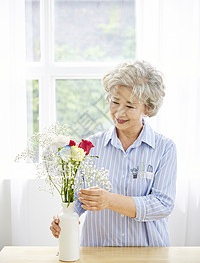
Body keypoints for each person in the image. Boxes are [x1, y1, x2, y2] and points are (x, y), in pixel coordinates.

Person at [50, 60, 177, 247]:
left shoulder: (164, 148)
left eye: (130, 106)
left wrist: (110, 200)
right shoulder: (90, 146)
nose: (119, 112)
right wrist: (65, 217)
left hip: (149, 253)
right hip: (97, 251)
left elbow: (162, 204)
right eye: (115, 101)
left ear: (147, 108)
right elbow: (78, 198)